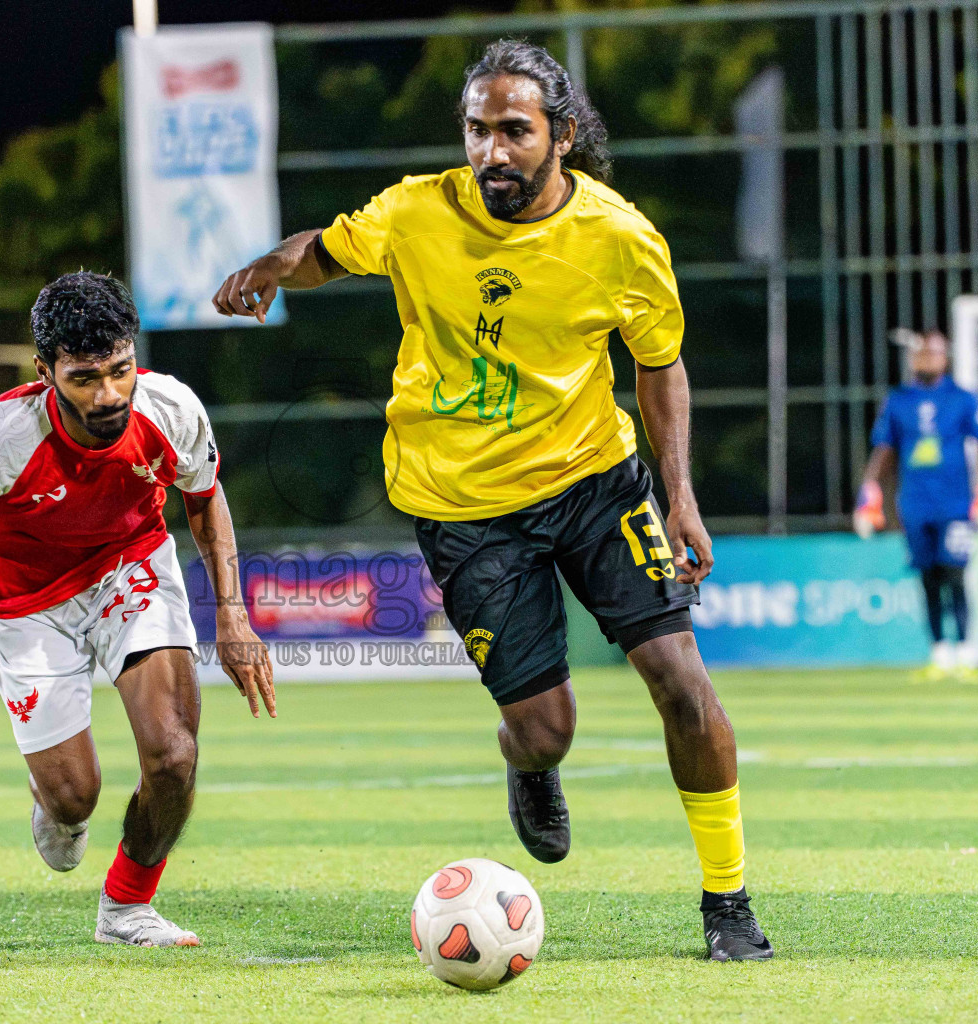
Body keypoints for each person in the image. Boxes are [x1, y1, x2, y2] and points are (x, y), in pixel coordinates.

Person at [213, 39, 770, 961]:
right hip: (462, 503)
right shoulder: (418, 211)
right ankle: (531, 766)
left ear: (564, 136)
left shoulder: (622, 238)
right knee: (548, 728)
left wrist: (680, 496)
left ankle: (728, 904)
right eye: (477, 130)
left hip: (595, 479)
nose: (491, 151)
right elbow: (327, 250)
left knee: (683, 681)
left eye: (514, 130)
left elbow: (658, 361)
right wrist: (271, 267)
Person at [0, 271, 275, 947]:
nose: (108, 395)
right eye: (85, 378)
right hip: (24, 600)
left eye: (120, 370)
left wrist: (232, 614)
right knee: (76, 799)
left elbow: (204, 492)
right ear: (46, 371)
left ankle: (127, 908)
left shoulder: (170, 408)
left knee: (175, 755)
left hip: (128, 566)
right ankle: (54, 805)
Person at [855, 329, 978, 681]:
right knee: (928, 577)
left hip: (955, 504)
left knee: (955, 572)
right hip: (915, 505)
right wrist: (869, 491)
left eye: (934, 354)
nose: (927, 360)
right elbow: (884, 449)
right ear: (912, 359)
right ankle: (940, 655)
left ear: (944, 357)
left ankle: (966, 651)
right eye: (922, 354)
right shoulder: (898, 400)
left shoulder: (963, 398)